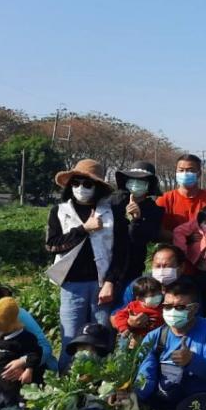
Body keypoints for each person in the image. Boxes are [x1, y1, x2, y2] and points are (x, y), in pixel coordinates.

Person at [45, 159, 129, 373]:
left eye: (87, 184)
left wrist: (110, 281)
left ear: (98, 187)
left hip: (102, 284)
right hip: (71, 284)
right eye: (76, 183)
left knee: (101, 334)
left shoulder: (111, 213)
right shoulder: (60, 211)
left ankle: (102, 382)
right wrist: (84, 229)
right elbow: (52, 245)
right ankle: (67, 381)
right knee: (70, 335)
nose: (80, 188)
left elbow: (121, 252)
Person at [134, 278, 206, 410]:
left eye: (180, 307)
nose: (172, 311)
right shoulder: (154, 336)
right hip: (163, 395)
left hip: (197, 397)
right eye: (168, 306)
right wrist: (135, 396)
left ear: (194, 308)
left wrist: (192, 360)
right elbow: (146, 374)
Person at [111, 161, 164, 291]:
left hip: (134, 268)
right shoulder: (113, 202)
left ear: (149, 184)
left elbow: (146, 238)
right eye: (132, 179)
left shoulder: (155, 210)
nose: (135, 183)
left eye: (141, 180)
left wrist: (137, 220)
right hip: (109, 267)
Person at [155, 153, 206, 242]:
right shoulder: (164, 199)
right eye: (181, 170)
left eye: (190, 170)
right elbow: (158, 230)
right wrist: (185, 238)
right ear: (176, 172)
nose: (185, 174)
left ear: (199, 173)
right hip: (174, 249)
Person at [120, 243, 187, 306]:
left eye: (166, 266)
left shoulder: (191, 287)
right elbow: (116, 314)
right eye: (157, 266)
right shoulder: (138, 285)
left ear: (182, 267)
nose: (161, 270)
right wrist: (130, 318)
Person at [111, 276, 164, 343]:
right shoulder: (134, 306)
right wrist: (124, 329)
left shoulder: (163, 306)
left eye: (159, 294)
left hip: (158, 339)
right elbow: (120, 316)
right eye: (152, 296)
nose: (157, 297)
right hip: (138, 340)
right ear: (139, 298)